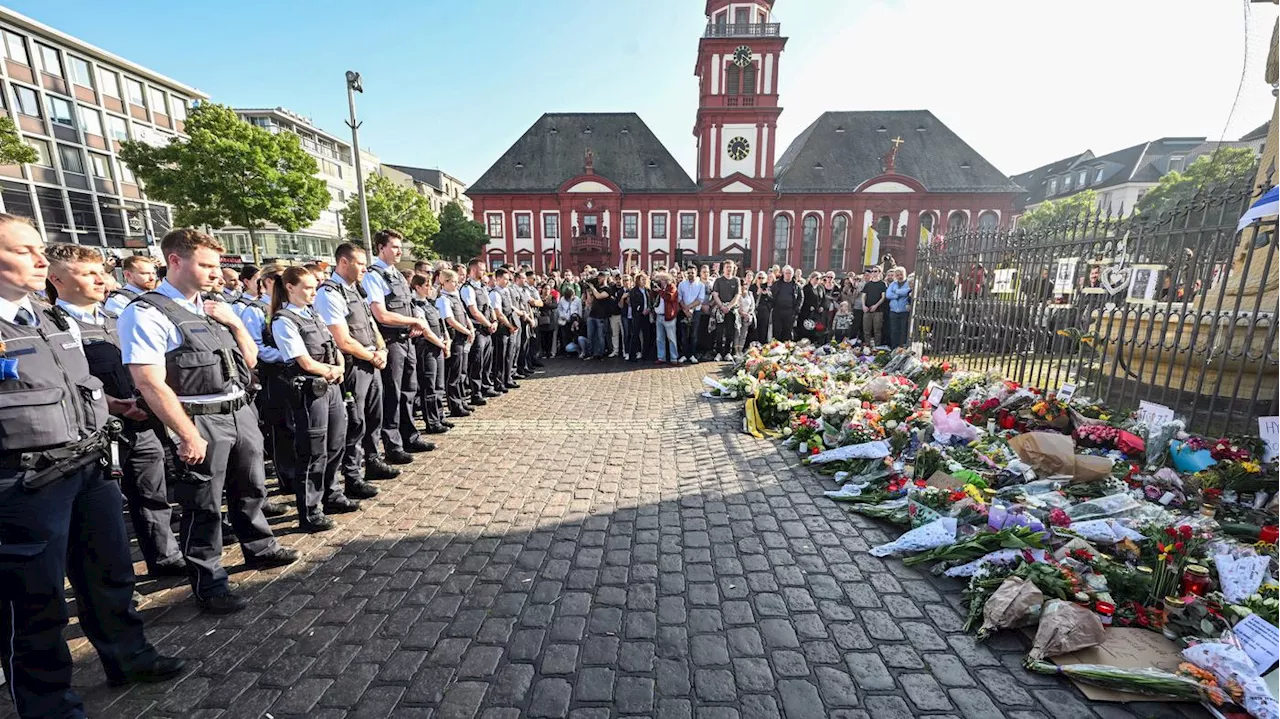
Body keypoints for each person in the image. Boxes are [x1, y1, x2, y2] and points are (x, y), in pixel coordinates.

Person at [0, 217, 186, 719]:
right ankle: (50, 707)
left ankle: (129, 658)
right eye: (26, 251)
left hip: (87, 464)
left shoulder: (48, 317)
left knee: (110, 573)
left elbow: (79, 387)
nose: (42, 260)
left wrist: (116, 410)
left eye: (42, 250)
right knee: (35, 604)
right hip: (24, 483)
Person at [119, 228, 298, 615]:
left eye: (217, 265)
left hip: (238, 411)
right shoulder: (147, 311)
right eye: (207, 265)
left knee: (249, 488)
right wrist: (185, 433)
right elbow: (149, 381)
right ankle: (209, 580)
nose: (216, 273)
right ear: (175, 261)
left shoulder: (213, 307)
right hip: (198, 418)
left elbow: (249, 359)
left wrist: (234, 323)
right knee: (202, 505)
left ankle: (260, 548)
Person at [44, 244, 185, 578]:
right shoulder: (55, 325)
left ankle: (164, 557)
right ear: (57, 279)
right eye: (88, 273)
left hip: (139, 423)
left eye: (101, 273)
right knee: (102, 513)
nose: (101, 280)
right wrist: (110, 404)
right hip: (96, 432)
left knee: (153, 493)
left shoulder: (116, 318)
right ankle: (112, 578)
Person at [267, 267, 360, 532]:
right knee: (313, 452)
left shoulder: (313, 315)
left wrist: (339, 367)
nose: (312, 292)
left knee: (335, 443)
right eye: (307, 287)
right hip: (310, 391)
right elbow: (303, 361)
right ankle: (310, 510)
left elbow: (334, 347)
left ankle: (332, 494)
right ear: (290, 287)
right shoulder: (284, 320)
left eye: (314, 286)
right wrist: (331, 371)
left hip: (331, 386)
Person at [314, 242, 399, 487]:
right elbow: (342, 339)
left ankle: (372, 462)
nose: (364, 268)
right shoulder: (330, 293)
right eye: (360, 264)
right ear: (343, 262)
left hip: (371, 362)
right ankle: (352, 476)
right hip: (355, 366)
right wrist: (372, 356)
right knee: (355, 422)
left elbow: (372, 326)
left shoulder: (356, 290)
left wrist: (381, 349)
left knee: (374, 417)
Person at [361, 229, 434, 460]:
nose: (399, 250)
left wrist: (415, 323)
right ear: (381, 248)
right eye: (394, 246)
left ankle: (409, 437)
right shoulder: (374, 276)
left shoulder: (398, 275)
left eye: (400, 246)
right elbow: (380, 314)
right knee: (392, 394)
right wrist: (414, 321)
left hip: (407, 340)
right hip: (390, 341)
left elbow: (408, 305)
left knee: (408, 391)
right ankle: (393, 446)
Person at [411, 274, 450, 433]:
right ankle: (432, 422)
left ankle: (440, 417)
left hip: (439, 345)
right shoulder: (415, 306)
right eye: (426, 286)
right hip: (427, 348)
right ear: (417, 287)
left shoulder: (430, 303)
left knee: (439, 385)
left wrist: (446, 339)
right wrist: (442, 344)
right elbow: (426, 331)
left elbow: (441, 324)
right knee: (430, 386)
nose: (430, 288)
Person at [461, 260, 498, 407]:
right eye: (482, 269)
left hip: (487, 328)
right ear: (474, 269)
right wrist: (488, 323)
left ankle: (486, 387)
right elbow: (474, 311)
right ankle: (475, 393)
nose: (484, 272)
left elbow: (489, 306)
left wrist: (494, 321)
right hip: (477, 329)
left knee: (487, 360)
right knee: (477, 362)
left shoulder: (483, 287)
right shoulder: (467, 288)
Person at [437, 268, 474, 416]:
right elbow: (450, 321)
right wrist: (467, 331)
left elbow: (464, 315)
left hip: (463, 337)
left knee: (461, 372)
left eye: (457, 282)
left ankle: (462, 400)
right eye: (453, 282)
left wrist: (470, 328)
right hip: (455, 338)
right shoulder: (443, 299)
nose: (456, 284)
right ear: (444, 282)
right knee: (453, 374)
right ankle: (455, 405)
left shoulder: (455, 296)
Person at [489, 268, 519, 391]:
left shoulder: (506, 291)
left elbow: (510, 308)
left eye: (508, 279)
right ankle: (499, 382)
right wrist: (510, 326)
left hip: (509, 327)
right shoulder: (495, 293)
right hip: (502, 328)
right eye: (505, 279)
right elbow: (498, 313)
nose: (507, 281)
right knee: (500, 357)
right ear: (498, 279)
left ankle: (507, 379)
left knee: (509, 355)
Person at [710, 262, 742, 361]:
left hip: (731, 309)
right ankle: (719, 352)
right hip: (720, 309)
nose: (729, 269)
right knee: (719, 331)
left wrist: (729, 306)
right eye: (727, 267)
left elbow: (737, 295)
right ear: (723, 269)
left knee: (730, 332)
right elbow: (715, 294)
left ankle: (728, 352)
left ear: (733, 269)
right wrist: (721, 306)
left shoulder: (736, 280)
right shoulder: (718, 280)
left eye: (730, 267)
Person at [677, 268, 705, 363]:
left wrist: (689, 308)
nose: (690, 274)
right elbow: (679, 298)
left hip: (696, 312)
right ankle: (684, 354)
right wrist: (685, 309)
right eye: (688, 273)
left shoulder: (700, 285)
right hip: (684, 312)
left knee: (694, 334)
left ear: (696, 273)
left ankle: (692, 355)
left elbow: (700, 299)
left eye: (692, 273)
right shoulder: (682, 284)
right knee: (684, 335)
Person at [653, 272, 679, 363]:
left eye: (662, 279)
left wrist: (660, 291)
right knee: (659, 338)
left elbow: (670, 297)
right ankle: (661, 357)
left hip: (669, 316)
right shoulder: (659, 288)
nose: (661, 281)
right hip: (659, 316)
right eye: (659, 280)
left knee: (671, 338)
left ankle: (674, 358)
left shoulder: (672, 287)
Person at [625, 272, 651, 362]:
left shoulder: (647, 290)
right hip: (637, 316)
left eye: (645, 280)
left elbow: (649, 301)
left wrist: (648, 309)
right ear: (638, 281)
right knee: (635, 335)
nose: (644, 281)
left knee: (647, 335)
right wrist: (640, 310)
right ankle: (633, 355)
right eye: (642, 280)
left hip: (646, 315)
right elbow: (633, 303)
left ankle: (645, 355)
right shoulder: (634, 291)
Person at [772, 265, 801, 341]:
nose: (788, 275)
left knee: (788, 331)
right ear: (783, 273)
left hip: (790, 312)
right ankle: (776, 347)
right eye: (787, 273)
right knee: (777, 331)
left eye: (790, 273)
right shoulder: (777, 284)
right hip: (778, 311)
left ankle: (786, 348)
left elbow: (800, 298)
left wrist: (796, 309)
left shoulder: (796, 286)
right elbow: (771, 296)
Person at [886, 265, 912, 348]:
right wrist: (898, 295)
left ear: (904, 274)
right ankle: (894, 348)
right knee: (894, 331)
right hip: (893, 311)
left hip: (904, 310)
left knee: (903, 331)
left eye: (901, 274)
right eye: (897, 275)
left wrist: (896, 291)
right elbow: (888, 295)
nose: (899, 277)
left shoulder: (908, 283)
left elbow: (907, 291)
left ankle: (902, 347)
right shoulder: (893, 284)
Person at [861, 266, 888, 347]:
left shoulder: (882, 284)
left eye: (875, 271)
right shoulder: (868, 284)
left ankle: (877, 347)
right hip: (867, 310)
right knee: (866, 330)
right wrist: (863, 306)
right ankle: (867, 347)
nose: (873, 273)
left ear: (879, 272)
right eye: (872, 271)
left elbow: (883, 297)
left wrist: (876, 305)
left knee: (877, 331)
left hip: (878, 311)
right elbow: (863, 296)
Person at [799, 271, 827, 343]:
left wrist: (822, 306)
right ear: (811, 278)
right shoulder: (806, 288)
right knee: (807, 330)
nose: (818, 280)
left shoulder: (821, 288)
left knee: (816, 330)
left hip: (817, 313)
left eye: (819, 279)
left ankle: (815, 343)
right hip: (807, 313)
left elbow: (823, 299)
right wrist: (809, 306)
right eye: (816, 278)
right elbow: (803, 299)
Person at [733, 281, 756, 355]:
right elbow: (736, 304)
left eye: (745, 284)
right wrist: (742, 313)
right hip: (738, 316)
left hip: (747, 317)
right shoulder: (737, 293)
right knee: (737, 334)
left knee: (743, 334)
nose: (744, 286)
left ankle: (740, 350)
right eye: (742, 285)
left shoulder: (750, 293)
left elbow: (752, 305)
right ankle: (736, 351)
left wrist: (748, 314)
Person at [751, 271, 773, 344]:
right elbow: (749, 299)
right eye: (759, 278)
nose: (761, 279)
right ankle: (753, 344)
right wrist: (757, 294)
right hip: (754, 310)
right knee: (754, 328)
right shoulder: (752, 287)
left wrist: (766, 294)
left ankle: (762, 343)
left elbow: (772, 300)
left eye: (763, 278)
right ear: (756, 278)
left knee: (763, 329)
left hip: (764, 311)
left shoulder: (767, 287)